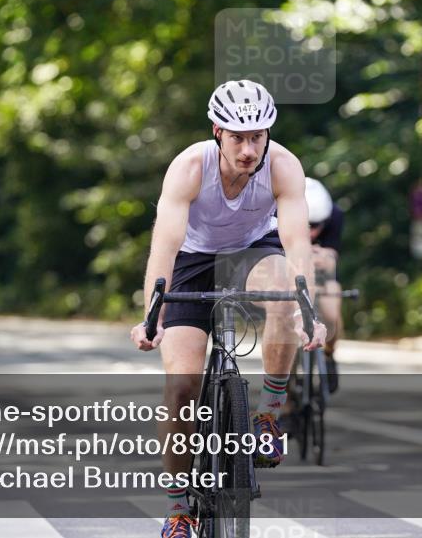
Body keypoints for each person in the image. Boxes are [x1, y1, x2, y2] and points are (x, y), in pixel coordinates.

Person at [130, 81, 326, 538]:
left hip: (252, 251)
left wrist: (308, 311)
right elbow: (165, 245)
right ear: (217, 132)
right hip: (192, 260)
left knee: (285, 294)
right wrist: (152, 315)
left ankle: (268, 416)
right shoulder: (189, 167)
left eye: (257, 136)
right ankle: (178, 509)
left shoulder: (283, 166)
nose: (248, 149)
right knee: (181, 388)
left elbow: (297, 242)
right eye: (238, 137)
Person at [304, 177, 344, 391]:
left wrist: (324, 258)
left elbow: (332, 257)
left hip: (322, 277)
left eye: (316, 226)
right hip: (290, 274)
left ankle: (329, 353)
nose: (310, 233)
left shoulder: (335, 215)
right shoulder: (278, 212)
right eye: (305, 225)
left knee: (332, 309)